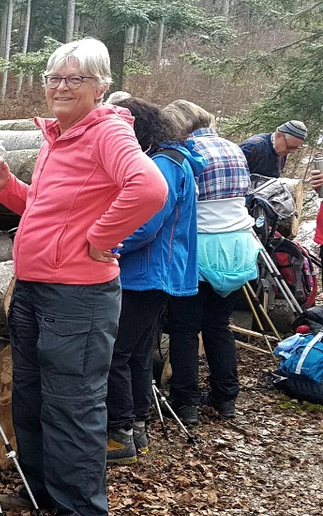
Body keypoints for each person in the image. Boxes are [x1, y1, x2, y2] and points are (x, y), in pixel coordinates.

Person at [0, 38, 167, 516]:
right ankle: (43, 491)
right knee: (32, 395)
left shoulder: (107, 130)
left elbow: (150, 189)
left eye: (75, 79)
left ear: (100, 86)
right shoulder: (58, 135)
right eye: (55, 78)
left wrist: (100, 237)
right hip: (35, 288)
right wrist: (7, 186)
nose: (61, 87)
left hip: (78, 296)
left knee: (73, 405)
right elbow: (44, 206)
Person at [104, 98, 199, 464]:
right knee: (138, 353)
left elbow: (145, 224)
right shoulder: (174, 160)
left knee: (115, 354)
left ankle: (120, 434)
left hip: (145, 274)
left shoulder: (162, 165)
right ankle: (138, 428)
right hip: (157, 272)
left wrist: (107, 244)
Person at [163, 100, 259, 424]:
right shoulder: (235, 149)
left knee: (185, 329)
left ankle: (185, 403)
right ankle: (226, 398)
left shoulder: (186, 153)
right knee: (218, 325)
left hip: (200, 248)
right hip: (239, 247)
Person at [240, 120, 307, 178]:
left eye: (296, 148)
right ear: (278, 136)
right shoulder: (253, 147)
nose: (292, 151)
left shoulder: (281, 151)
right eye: (290, 147)